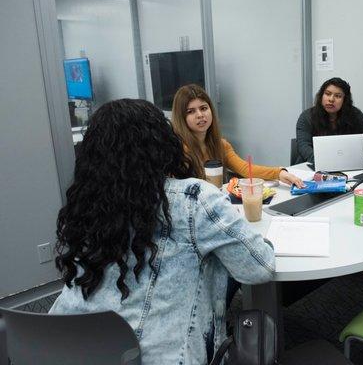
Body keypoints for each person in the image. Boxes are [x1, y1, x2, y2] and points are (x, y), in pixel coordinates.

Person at [49, 99, 275, 365]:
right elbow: (259, 268)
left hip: (65, 347)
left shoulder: (87, 205)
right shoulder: (194, 198)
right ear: (162, 142)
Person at [171, 84, 303, 187]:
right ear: (181, 117)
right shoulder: (178, 150)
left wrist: (279, 173)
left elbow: (245, 169)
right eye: (191, 111)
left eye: (204, 108)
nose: (200, 115)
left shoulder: (220, 145)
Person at [296, 77, 363, 163]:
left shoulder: (354, 114)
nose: (331, 99)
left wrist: (347, 149)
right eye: (327, 94)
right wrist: (327, 161)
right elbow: (304, 147)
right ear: (321, 96)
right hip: (310, 166)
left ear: (344, 100)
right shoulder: (307, 117)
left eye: (338, 96)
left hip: (345, 163)